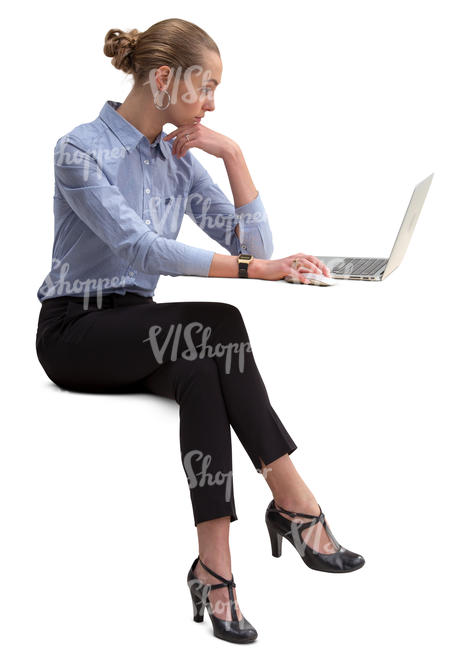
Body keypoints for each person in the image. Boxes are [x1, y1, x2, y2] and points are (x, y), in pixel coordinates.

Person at [35, 17, 365, 644]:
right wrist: (254, 270)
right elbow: (141, 247)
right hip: (76, 333)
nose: (212, 101)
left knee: (203, 376)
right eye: (206, 86)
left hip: (140, 328)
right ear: (164, 78)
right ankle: (294, 498)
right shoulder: (80, 149)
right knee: (220, 318)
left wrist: (231, 153)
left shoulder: (176, 160)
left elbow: (254, 245)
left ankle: (215, 569)